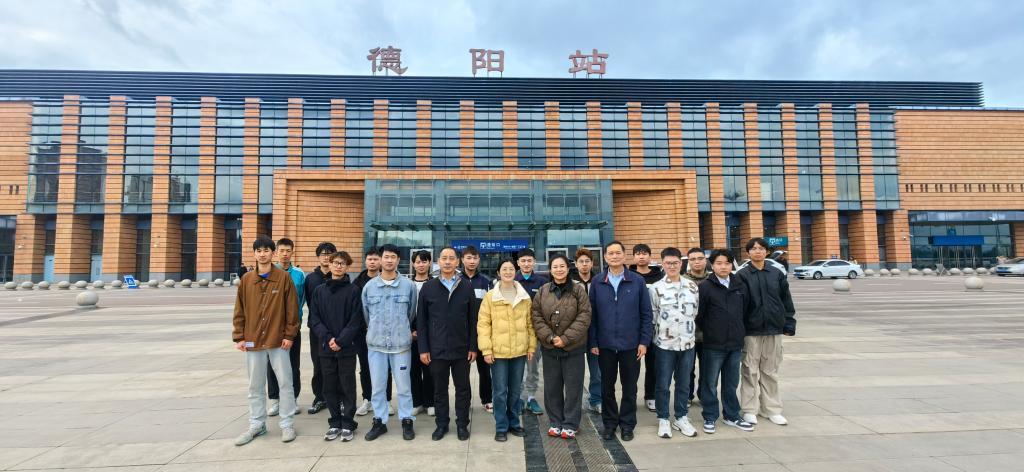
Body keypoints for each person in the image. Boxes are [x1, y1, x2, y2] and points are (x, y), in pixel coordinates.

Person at [232, 236, 300, 446]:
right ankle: (257, 424)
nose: (262, 254)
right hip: (253, 340)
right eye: (258, 251)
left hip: (278, 340)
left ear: (273, 253)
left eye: (266, 250)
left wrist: (289, 335)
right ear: (254, 254)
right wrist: (239, 336)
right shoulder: (246, 280)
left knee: (285, 382)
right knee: (255, 385)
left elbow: (292, 310)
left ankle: (287, 423)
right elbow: (239, 309)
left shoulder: (284, 278)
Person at [589, 240, 653, 442]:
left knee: (630, 388)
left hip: (631, 345)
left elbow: (646, 314)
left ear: (624, 256)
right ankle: (609, 424)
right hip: (605, 345)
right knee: (606, 388)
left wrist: (644, 341)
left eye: (618, 253)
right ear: (605, 257)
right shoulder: (598, 282)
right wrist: (593, 342)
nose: (614, 256)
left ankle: (627, 424)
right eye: (611, 253)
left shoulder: (637, 281)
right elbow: (592, 315)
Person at [418, 246, 481, 441]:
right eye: (444, 258)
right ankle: (442, 424)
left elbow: (473, 319)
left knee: (463, 389)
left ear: (457, 262)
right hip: (436, 349)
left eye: (451, 258)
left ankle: (462, 424)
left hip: (461, 349)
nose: (447, 261)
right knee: (439, 390)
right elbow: (422, 321)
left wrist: (473, 346)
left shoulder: (466, 286)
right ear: (438, 261)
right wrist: (423, 349)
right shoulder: (428, 287)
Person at [735, 238, 796, 427]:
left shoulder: (776, 273)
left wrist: (789, 322)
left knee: (770, 371)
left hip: (773, 329)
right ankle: (749, 409)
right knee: (749, 370)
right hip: (751, 330)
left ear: (767, 252)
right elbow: (739, 304)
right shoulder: (742, 275)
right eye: (753, 249)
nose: (757, 251)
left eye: (761, 248)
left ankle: (771, 409)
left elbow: (786, 300)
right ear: (748, 253)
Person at [360, 244, 417, 441]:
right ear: (380, 259)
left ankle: (407, 420)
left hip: (401, 346)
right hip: (376, 345)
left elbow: (411, 313)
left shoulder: (408, 286)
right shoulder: (369, 287)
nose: (389, 260)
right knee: (377, 386)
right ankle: (379, 421)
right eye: (386, 256)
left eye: (393, 257)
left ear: (398, 260)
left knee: (404, 386)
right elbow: (366, 315)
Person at [533, 255, 592, 440]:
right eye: (555, 267)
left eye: (562, 266)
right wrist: (550, 337)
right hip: (550, 348)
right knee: (552, 387)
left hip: (573, 348)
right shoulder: (543, 290)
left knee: (574, 387)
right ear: (550, 270)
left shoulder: (578, 290)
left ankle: (570, 423)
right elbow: (536, 316)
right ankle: (555, 421)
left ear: (568, 268)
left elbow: (584, 316)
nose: (559, 270)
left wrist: (565, 339)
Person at [696, 249, 755, 434]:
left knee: (731, 383)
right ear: (712, 265)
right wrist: (711, 332)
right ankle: (710, 416)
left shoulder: (740, 285)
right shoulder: (705, 287)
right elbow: (699, 315)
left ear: (732, 265)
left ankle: (732, 415)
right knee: (709, 383)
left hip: (735, 343)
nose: (723, 267)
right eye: (719, 263)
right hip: (713, 344)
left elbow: (746, 310)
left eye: (727, 263)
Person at [477, 258, 535, 442]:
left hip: (519, 351)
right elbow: (483, 324)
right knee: (500, 392)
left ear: (515, 272)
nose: (508, 272)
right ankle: (501, 426)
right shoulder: (490, 297)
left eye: (511, 269)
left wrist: (531, 346)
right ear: (498, 273)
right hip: (498, 353)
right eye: (504, 269)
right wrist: (486, 349)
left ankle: (514, 423)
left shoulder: (524, 297)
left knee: (516, 391)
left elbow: (530, 324)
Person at [308, 251, 363, 442]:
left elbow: (356, 320)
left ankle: (348, 422)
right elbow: (314, 318)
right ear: (329, 265)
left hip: (346, 347)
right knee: (329, 386)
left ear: (347, 267)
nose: (338, 266)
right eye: (335, 262)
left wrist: (340, 341)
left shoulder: (354, 290)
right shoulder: (319, 291)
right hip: (325, 347)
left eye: (342, 263)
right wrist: (328, 338)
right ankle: (334, 422)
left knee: (347, 385)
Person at [649, 247, 699, 439]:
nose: (672, 266)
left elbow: (695, 312)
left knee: (684, 383)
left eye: (675, 263)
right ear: (662, 264)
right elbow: (653, 317)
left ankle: (681, 417)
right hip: (664, 345)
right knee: (663, 383)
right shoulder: (656, 288)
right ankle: (663, 418)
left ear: (681, 263)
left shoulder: (692, 286)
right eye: (668, 263)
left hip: (687, 344)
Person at [267, 238, 305, 418]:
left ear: (292, 252)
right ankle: (275, 399)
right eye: (281, 250)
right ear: (276, 252)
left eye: (288, 251)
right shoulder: (268, 272)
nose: (285, 254)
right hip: (273, 327)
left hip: (293, 326)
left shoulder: (299, 274)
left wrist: (295, 319)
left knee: (293, 364)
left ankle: (292, 399)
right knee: (272, 364)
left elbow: (302, 298)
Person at [354, 247, 392, 416]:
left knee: (386, 367)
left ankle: (386, 400)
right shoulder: (357, 284)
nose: (372, 262)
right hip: (363, 333)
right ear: (365, 261)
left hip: (385, 333)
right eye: (370, 259)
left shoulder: (388, 280)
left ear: (381, 261)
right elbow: (356, 309)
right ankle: (367, 399)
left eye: (376, 259)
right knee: (365, 367)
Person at [629, 243, 664, 412]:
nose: (641, 256)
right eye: (638, 253)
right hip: (635, 327)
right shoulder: (628, 276)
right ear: (633, 257)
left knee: (653, 364)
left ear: (650, 256)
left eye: (644, 253)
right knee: (632, 366)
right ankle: (631, 397)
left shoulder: (660, 276)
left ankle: (651, 396)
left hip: (656, 326)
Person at [515, 248, 549, 416]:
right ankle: (519, 398)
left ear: (534, 262)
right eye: (523, 261)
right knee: (517, 367)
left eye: (529, 260)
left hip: (535, 333)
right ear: (518, 263)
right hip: (515, 332)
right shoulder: (512, 280)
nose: (526, 264)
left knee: (533, 366)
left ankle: (531, 397)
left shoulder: (542, 282)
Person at [304, 241, 336, 415]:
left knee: (336, 365)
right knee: (318, 364)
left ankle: (338, 398)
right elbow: (310, 303)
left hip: (336, 329)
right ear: (318, 257)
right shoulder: (311, 278)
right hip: (317, 329)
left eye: (329, 254)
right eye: (323, 254)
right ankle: (320, 397)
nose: (326, 257)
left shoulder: (338, 276)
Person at [461, 246, 494, 413]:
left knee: (485, 370)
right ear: (462, 260)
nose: (472, 261)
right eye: (468, 258)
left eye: (475, 258)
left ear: (479, 260)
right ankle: (464, 401)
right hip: (461, 333)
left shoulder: (486, 282)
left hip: (482, 332)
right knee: (462, 371)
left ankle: (487, 399)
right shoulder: (456, 280)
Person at [571, 248, 602, 415]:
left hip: (595, 332)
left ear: (592, 263)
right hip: (575, 333)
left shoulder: (599, 281)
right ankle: (573, 403)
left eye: (587, 261)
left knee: (597, 372)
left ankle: (595, 400)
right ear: (576, 264)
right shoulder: (570, 282)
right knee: (574, 373)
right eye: (581, 262)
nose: (584, 264)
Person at [410, 250, 436, 417]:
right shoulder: (407, 284)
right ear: (413, 264)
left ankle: (430, 402)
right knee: (413, 370)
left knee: (430, 370)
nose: (421, 265)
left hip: (430, 335)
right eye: (418, 261)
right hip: (411, 335)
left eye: (424, 261)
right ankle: (417, 402)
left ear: (429, 263)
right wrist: (410, 331)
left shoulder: (435, 284)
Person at [682, 247, 709, 404]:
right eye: (692, 259)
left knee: (707, 369)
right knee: (687, 369)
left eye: (700, 258)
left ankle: (704, 395)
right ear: (688, 262)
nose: (697, 262)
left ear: (705, 260)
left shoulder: (712, 280)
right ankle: (687, 396)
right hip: (687, 334)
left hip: (708, 334)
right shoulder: (682, 281)